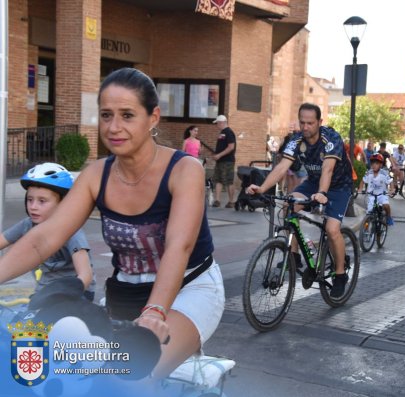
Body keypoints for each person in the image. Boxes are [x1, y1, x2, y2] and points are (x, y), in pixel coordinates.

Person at [0, 68, 224, 380]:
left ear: (153, 117)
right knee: (73, 374)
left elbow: (179, 246)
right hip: (125, 293)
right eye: (106, 115)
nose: (114, 127)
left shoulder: (184, 170)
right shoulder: (97, 174)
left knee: (133, 378)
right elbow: (44, 239)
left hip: (188, 289)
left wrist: (155, 311)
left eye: (127, 115)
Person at [246, 103, 353, 298]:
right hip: (313, 182)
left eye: (310, 123)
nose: (305, 127)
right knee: (289, 204)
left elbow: (328, 170)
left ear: (319, 122)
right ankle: (294, 255)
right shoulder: (296, 140)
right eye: (302, 122)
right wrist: (262, 188)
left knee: (332, 229)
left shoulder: (331, 138)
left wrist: (322, 193)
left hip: (339, 187)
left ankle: (340, 274)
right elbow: (280, 168)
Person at [0, 163, 94, 300]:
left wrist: (67, 294)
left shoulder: (71, 230)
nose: (33, 207)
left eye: (42, 201)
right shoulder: (28, 224)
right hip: (43, 293)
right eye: (30, 200)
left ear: (63, 203)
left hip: (75, 294)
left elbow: (86, 275)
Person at [360, 154, 394, 226]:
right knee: (369, 212)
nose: (374, 165)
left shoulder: (384, 173)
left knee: (386, 205)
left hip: (382, 195)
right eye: (372, 163)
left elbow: (390, 182)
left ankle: (389, 217)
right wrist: (360, 189)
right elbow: (363, 181)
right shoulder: (369, 173)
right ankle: (365, 230)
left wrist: (392, 190)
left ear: (381, 165)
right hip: (371, 196)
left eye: (377, 163)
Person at [211, 114, 236, 208]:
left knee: (229, 180)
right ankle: (217, 200)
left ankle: (231, 201)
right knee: (218, 179)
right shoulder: (222, 133)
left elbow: (231, 147)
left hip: (227, 161)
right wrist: (216, 155)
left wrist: (219, 155)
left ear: (222, 123)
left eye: (217, 123)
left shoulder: (229, 132)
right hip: (220, 161)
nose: (217, 125)